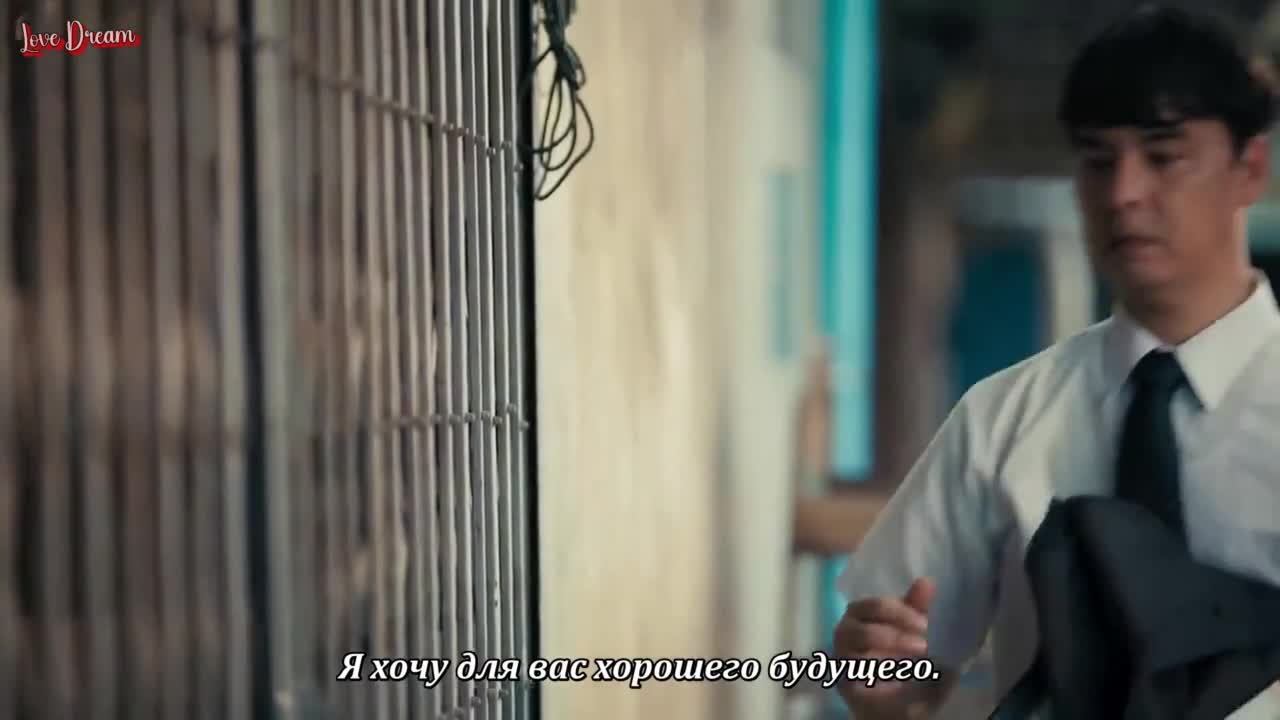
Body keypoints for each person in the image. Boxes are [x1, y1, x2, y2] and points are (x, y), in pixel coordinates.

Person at [832, 5, 1280, 719]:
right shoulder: (1003, 419)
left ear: (1249, 167)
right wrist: (875, 677)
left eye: (1164, 157)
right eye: (1099, 161)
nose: (1123, 193)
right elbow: (899, 681)